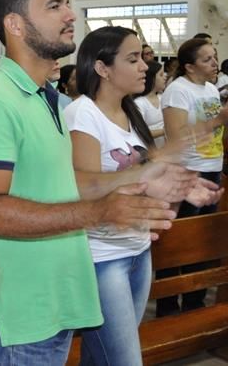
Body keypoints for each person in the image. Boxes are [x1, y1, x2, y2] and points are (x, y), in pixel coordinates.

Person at [0, 0, 213, 365]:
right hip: (20, 314)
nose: (70, 15)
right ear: (15, 25)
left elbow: (71, 183)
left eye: (68, 4)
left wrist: (147, 175)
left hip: (56, 300)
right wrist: (99, 213)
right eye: (54, 6)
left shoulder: (49, 99)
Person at [64, 26, 162, 366]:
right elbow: (86, 187)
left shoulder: (130, 112)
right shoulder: (83, 113)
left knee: (100, 357)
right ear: (102, 68)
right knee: (124, 360)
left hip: (138, 248)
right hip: (102, 256)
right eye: (132, 59)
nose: (144, 66)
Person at [157, 37, 228, 316]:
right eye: (207, 59)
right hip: (187, 171)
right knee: (179, 242)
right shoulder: (178, 91)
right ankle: (167, 306)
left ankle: (194, 302)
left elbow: (213, 132)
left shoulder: (210, 89)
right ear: (189, 66)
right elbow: (176, 137)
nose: (214, 63)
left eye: (215, 57)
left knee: (202, 239)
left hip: (212, 167)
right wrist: (219, 119)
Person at [134, 60, 166, 148]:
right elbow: (139, 132)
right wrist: (165, 131)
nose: (165, 77)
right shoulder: (140, 103)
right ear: (151, 78)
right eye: (161, 75)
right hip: (150, 150)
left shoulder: (162, 97)